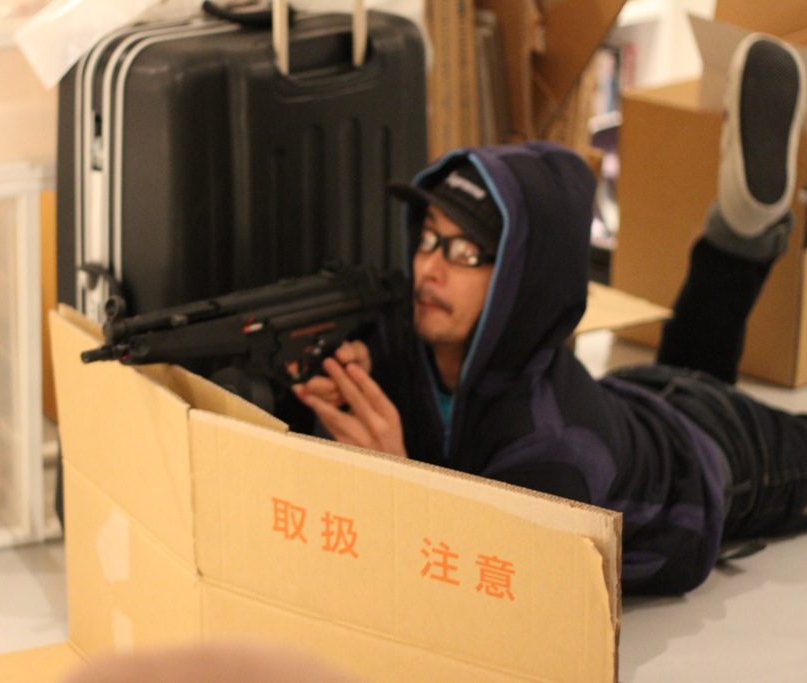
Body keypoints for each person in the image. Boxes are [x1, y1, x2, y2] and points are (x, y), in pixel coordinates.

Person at [292, 33, 807, 595]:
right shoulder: (437, 328)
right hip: (634, 397)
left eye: (466, 253)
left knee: (718, 393)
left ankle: (742, 235)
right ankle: (741, 230)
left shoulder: (553, 459)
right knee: (690, 365)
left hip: (715, 460)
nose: (430, 270)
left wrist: (396, 483)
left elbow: (489, 600)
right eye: (429, 238)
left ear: (521, 281)